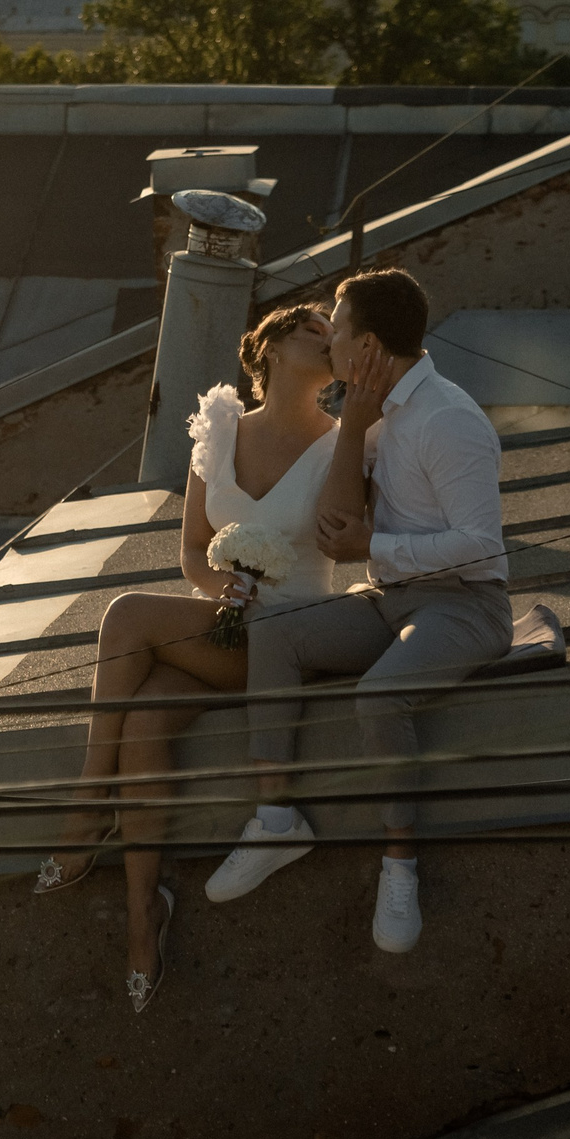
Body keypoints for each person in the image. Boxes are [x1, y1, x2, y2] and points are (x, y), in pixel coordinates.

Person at [33, 304, 337, 1012]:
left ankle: (87, 804)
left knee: (128, 614)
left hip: (298, 633)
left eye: (334, 334)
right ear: (269, 349)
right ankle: (146, 914)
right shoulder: (222, 423)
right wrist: (224, 585)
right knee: (143, 720)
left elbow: (354, 542)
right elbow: (195, 552)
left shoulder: (345, 441)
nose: (328, 338)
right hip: (227, 627)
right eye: (310, 330)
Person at [203, 267, 509, 955]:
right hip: (392, 597)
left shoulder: (448, 418)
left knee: (381, 695)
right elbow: (335, 527)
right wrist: (355, 424)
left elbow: (480, 545)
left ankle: (399, 864)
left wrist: (378, 543)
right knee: (272, 634)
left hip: (466, 605)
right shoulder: (377, 415)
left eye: (336, 327)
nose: (328, 335)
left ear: (366, 341)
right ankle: (276, 820)